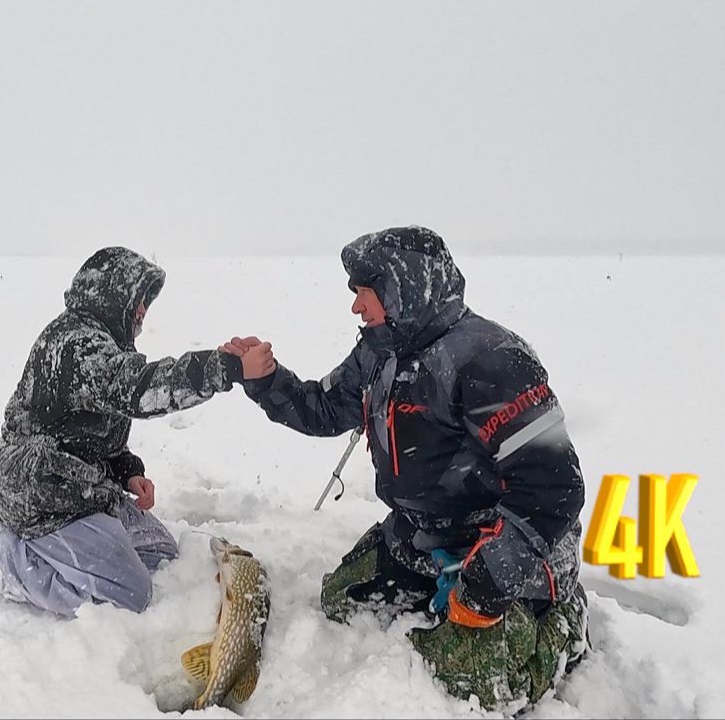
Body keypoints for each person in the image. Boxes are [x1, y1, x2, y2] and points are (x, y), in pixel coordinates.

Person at [221, 226, 588, 709]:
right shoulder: (380, 353)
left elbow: (555, 489)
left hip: (505, 550)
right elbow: (326, 409)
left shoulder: (490, 360)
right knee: (343, 598)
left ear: (402, 286)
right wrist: (267, 381)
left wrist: (490, 577)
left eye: (363, 293)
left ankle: (561, 624)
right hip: (424, 537)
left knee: (466, 683)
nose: (356, 307)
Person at [0, 246, 255, 618]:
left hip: (79, 483)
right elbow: (137, 389)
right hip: (42, 489)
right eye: (138, 300)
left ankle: (41, 543)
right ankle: (2, 555)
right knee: (129, 595)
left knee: (160, 555)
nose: (142, 312)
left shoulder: (103, 343)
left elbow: (86, 430)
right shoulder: (76, 345)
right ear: (113, 294)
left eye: (146, 304)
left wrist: (127, 470)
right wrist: (222, 368)